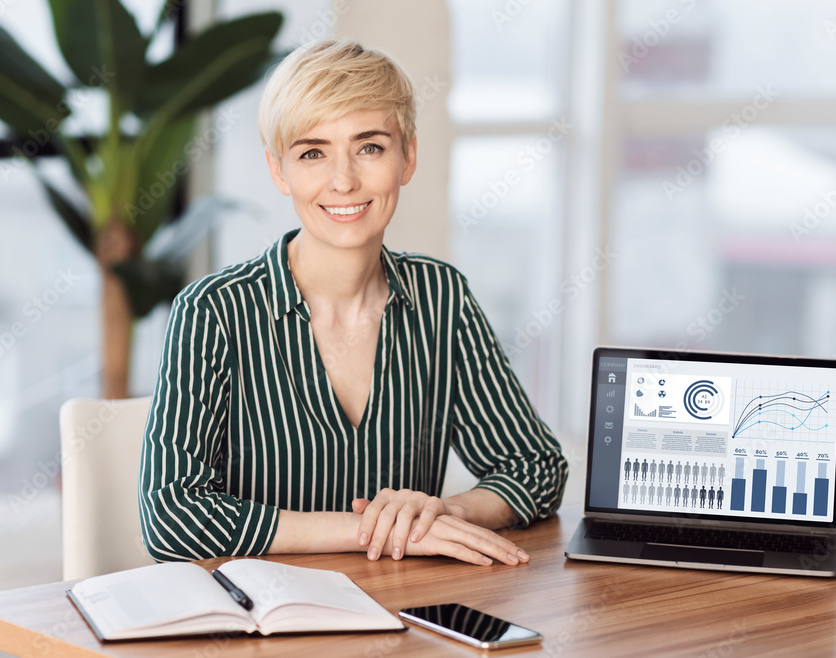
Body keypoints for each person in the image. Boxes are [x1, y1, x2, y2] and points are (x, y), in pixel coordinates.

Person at [138, 38, 567, 568]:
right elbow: (172, 516)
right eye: (312, 152)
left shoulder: (441, 298)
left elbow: (536, 466)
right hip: (261, 630)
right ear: (279, 171)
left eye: (369, 147)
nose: (343, 180)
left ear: (407, 157)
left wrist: (441, 515)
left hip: (407, 621)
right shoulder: (213, 311)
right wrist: (373, 530)